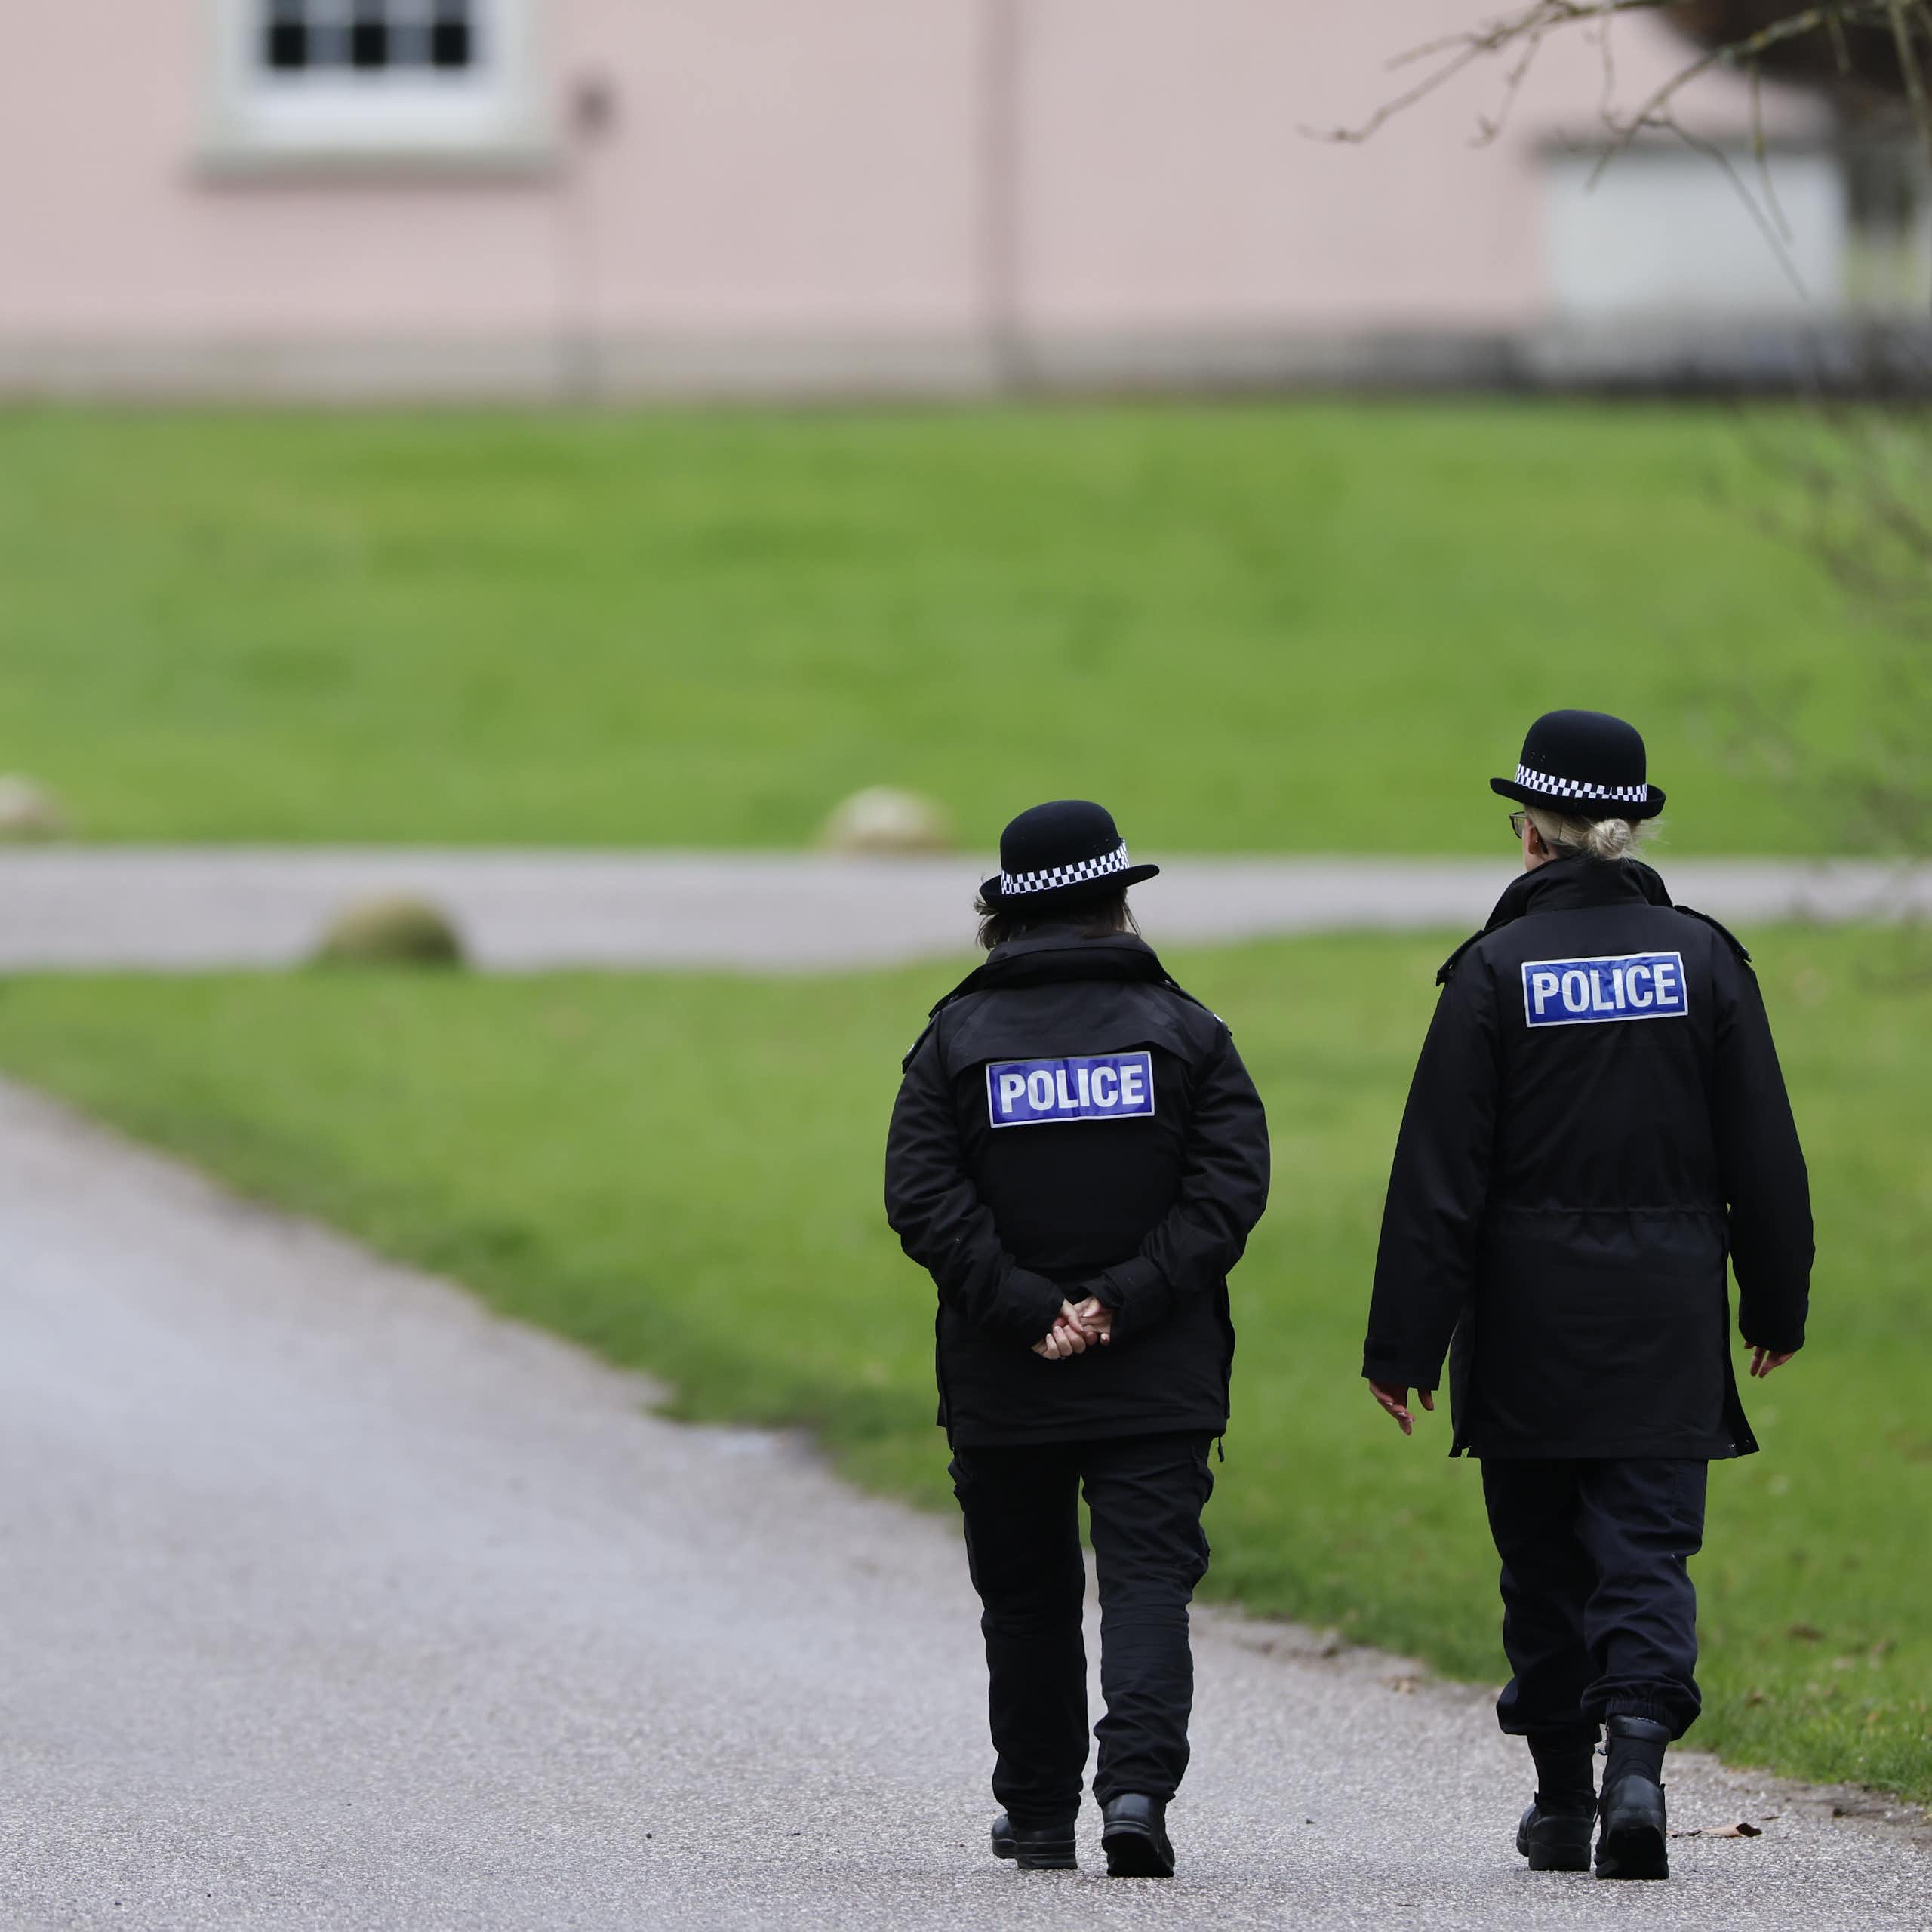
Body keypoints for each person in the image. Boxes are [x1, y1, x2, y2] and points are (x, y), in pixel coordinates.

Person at [1361, 709, 1813, 1883]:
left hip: (1525, 1323)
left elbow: (1437, 1180)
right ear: (1629, 828)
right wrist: (1775, 1306)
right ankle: (1639, 1775)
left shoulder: (1492, 973)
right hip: (1665, 1318)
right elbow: (1764, 1154)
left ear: (1531, 839)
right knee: (1647, 1551)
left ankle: (1563, 1802)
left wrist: (1402, 1345)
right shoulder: (1705, 958)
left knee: (1545, 1560)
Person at [884, 799, 1269, 1878]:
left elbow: (921, 1198)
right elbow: (1227, 1192)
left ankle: (1044, 1812)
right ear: (1116, 904)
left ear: (1008, 913)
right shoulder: (1191, 1034)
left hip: (1007, 1377)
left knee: (1028, 1594)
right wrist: (1121, 1302)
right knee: (1147, 1583)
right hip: (1158, 1371)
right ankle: (1136, 1792)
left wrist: (1028, 1309)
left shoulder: (954, 1040)